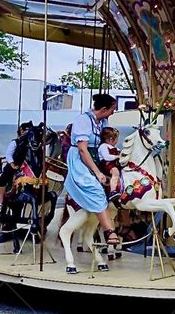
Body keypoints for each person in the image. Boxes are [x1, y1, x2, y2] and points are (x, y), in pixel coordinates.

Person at [65, 94, 121, 245]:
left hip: (96, 156)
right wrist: (97, 172)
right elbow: (82, 150)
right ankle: (110, 232)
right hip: (80, 159)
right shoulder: (83, 120)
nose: (113, 112)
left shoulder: (103, 122)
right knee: (95, 188)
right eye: (112, 109)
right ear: (103, 109)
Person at [0, 121, 34, 214]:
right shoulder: (15, 142)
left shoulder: (31, 144)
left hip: (27, 167)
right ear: (21, 131)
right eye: (25, 131)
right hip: (15, 165)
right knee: (4, 177)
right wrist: (13, 165)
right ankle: (0, 201)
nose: (27, 133)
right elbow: (8, 154)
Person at [97, 127, 123, 203]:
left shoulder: (114, 148)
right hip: (107, 164)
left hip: (114, 164)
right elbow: (106, 157)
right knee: (115, 172)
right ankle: (113, 191)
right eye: (116, 139)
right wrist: (117, 156)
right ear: (111, 139)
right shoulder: (103, 146)